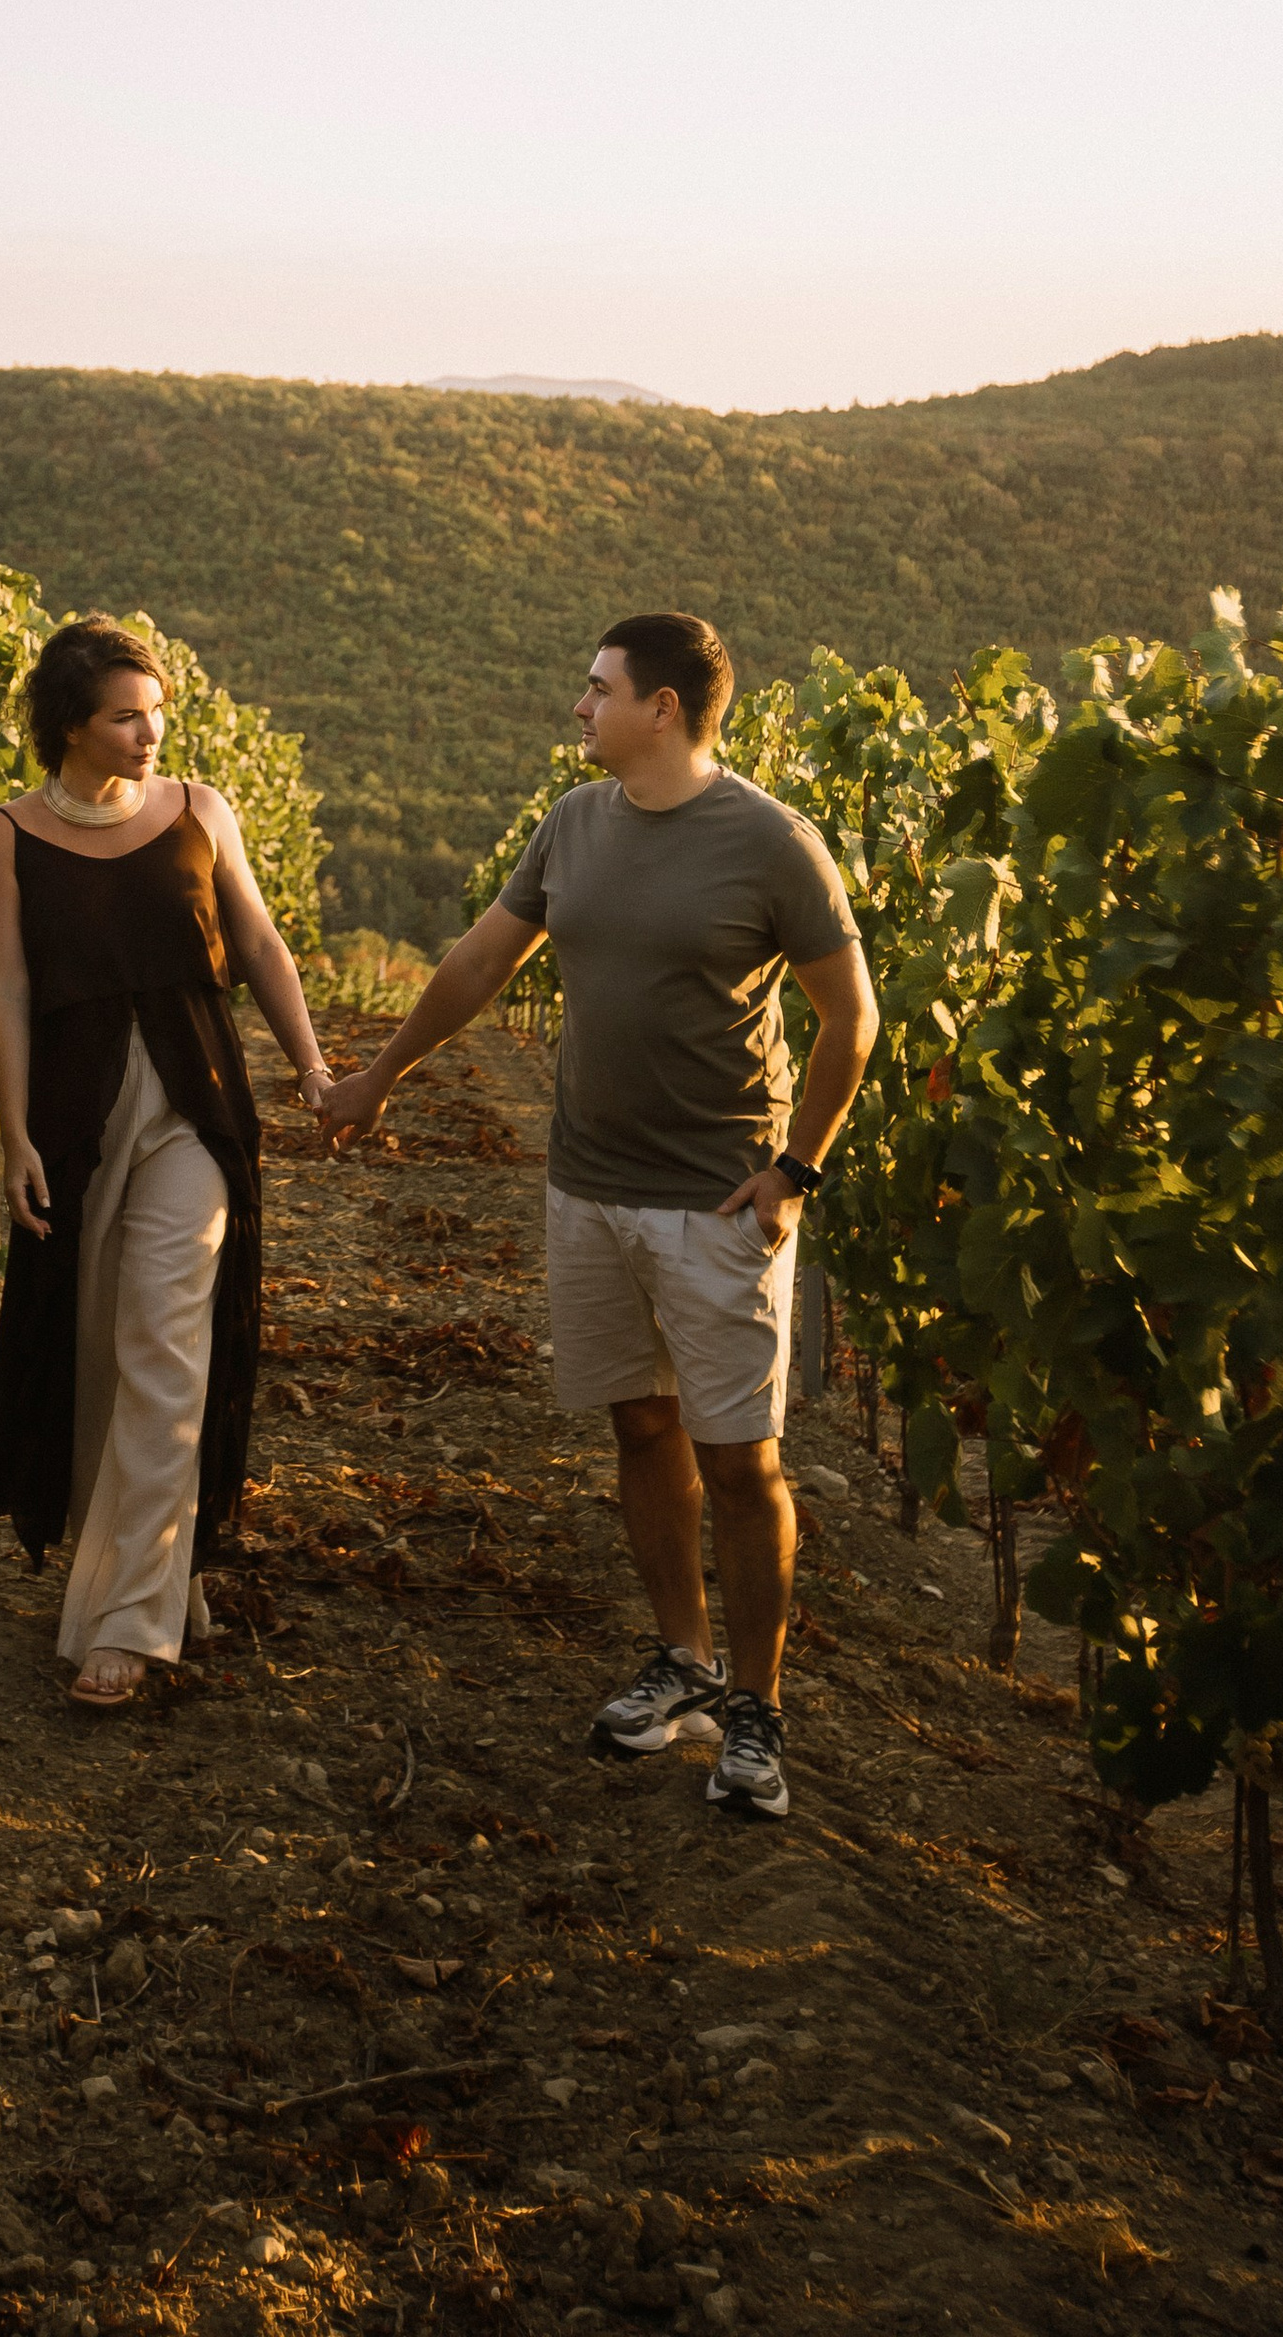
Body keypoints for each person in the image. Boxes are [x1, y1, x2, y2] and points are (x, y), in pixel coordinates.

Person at [318, 612, 877, 1820]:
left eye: (597, 688)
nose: (579, 707)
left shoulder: (774, 843)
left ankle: (757, 1716)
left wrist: (795, 1172)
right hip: (588, 1187)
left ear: (662, 708)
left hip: (718, 1203)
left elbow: (853, 1019)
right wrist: (378, 1078)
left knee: (741, 1462)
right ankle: (683, 1660)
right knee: (640, 1427)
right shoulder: (572, 824)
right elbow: (480, 965)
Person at [0, 614, 337, 1704]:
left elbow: (261, 943)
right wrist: (14, 1131)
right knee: (89, 1344)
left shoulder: (199, 811)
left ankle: (128, 1623)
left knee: (165, 1339)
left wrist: (312, 1067)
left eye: (156, 711)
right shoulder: (7, 835)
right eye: (126, 716)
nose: (150, 732)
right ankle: (148, 1566)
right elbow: (7, 988)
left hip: (196, 1096)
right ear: (71, 727)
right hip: (76, 1105)